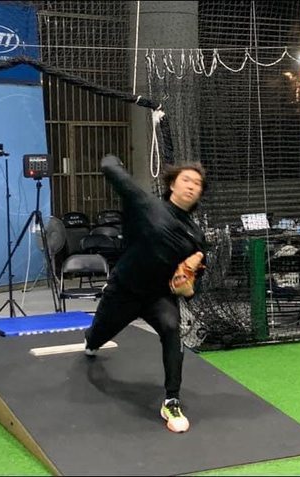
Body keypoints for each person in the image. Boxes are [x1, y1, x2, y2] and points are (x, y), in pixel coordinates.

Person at [84, 154, 207, 433]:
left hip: (158, 297)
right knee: (95, 340)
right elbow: (108, 165)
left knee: (171, 329)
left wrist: (188, 288)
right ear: (172, 184)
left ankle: (171, 400)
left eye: (197, 183)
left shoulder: (196, 237)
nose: (191, 186)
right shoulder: (145, 204)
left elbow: (193, 283)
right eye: (186, 180)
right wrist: (113, 160)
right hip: (123, 291)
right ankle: (92, 339)